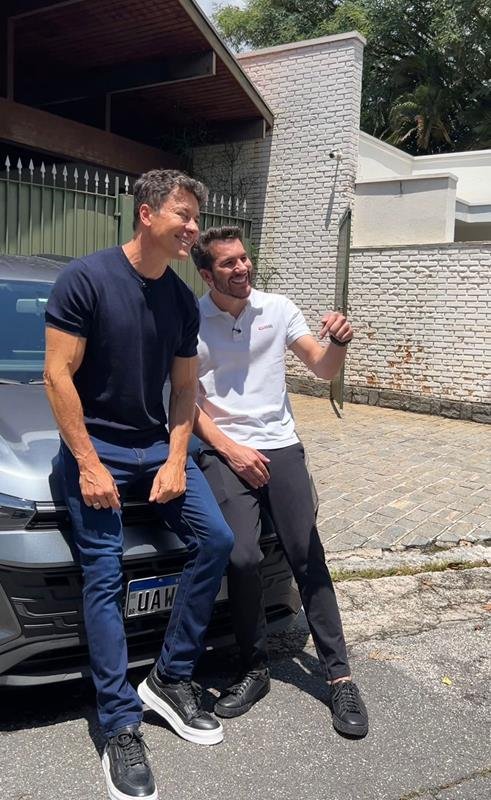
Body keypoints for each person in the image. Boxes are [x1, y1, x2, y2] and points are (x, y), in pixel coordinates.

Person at [44, 171, 234, 800]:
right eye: (183, 215)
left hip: (154, 447)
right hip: (96, 448)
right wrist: (88, 463)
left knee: (216, 540)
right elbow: (56, 376)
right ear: (147, 214)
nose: (193, 228)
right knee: (104, 574)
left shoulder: (180, 299)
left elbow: (184, 389)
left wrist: (177, 459)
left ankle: (169, 677)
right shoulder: (86, 279)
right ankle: (120, 724)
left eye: (196, 217)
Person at [191, 226, 368, 738]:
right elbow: (186, 401)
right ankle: (255, 667)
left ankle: (340, 675)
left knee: (306, 552)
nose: (242, 268)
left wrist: (338, 342)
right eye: (228, 263)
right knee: (242, 557)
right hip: (224, 450)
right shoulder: (191, 321)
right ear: (206, 275)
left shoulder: (277, 308)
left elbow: (321, 367)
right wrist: (231, 449)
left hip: (280, 444)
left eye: (244, 258)